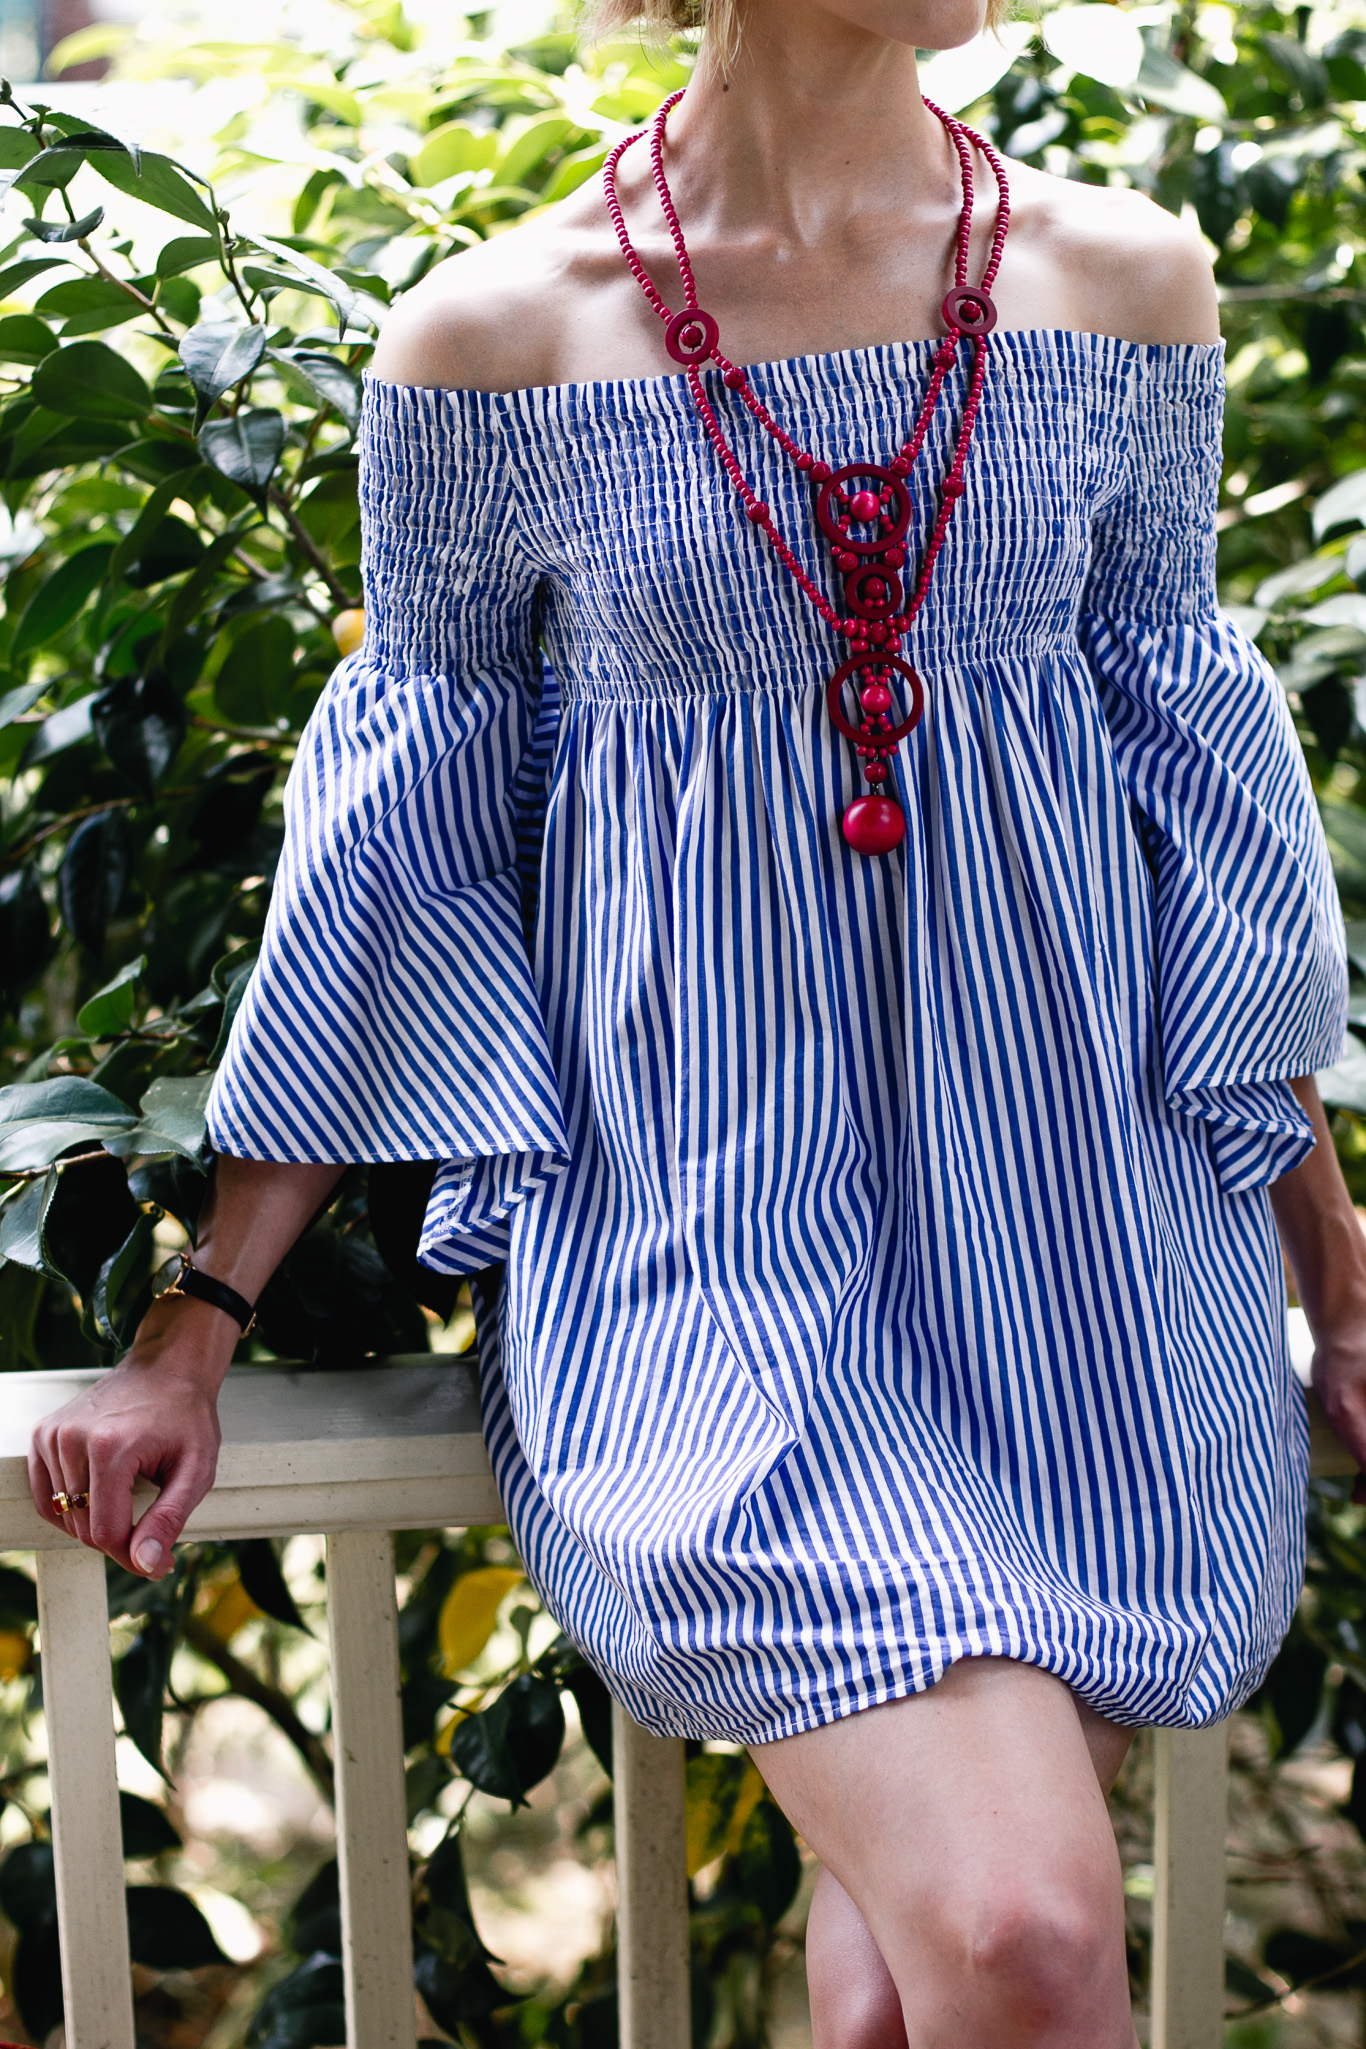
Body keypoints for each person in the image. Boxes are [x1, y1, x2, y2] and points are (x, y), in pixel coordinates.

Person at [28, 0, 1366, 2040]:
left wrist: (1335, 1288)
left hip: (1088, 1272)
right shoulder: (492, 341)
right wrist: (193, 1323)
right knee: (1015, 1932)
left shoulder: (1118, 289)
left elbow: (1211, 837)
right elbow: (401, 867)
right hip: (710, 1289)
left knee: (905, 1998)